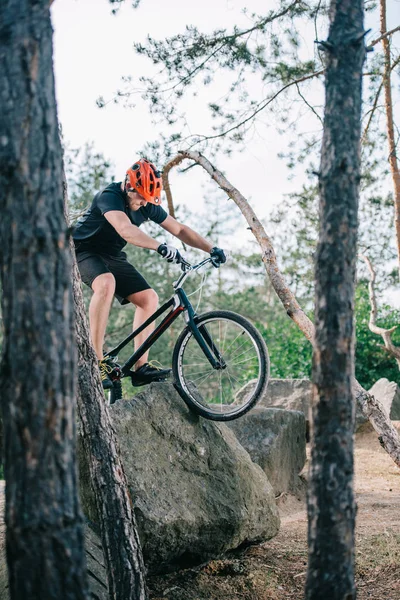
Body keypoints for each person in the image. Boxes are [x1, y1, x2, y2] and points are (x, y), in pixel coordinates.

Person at [73, 158, 226, 389]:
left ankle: (140, 368)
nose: (144, 203)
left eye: (148, 198)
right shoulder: (110, 196)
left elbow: (180, 229)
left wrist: (211, 248)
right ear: (129, 186)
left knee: (148, 298)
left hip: (111, 255)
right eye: (141, 196)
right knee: (106, 283)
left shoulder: (147, 203)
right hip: (82, 250)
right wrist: (159, 246)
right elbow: (126, 230)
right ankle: (97, 360)